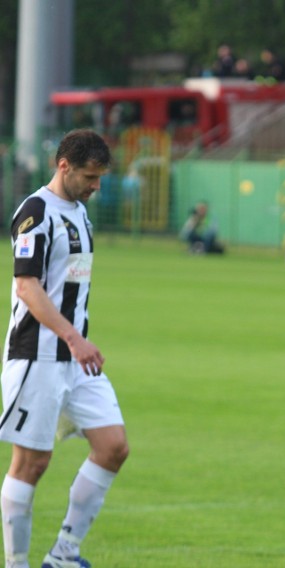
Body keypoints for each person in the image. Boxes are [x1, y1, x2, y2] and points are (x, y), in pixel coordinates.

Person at [0, 129, 130, 568]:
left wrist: (76, 340)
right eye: (90, 177)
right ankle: (17, 564)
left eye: (100, 178)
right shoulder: (36, 211)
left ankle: (63, 554)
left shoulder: (79, 213)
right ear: (64, 166)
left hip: (75, 359)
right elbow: (27, 285)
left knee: (113, 446)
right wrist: (73, 337)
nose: (96, 186)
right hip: (37, 356)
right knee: (31, 462)